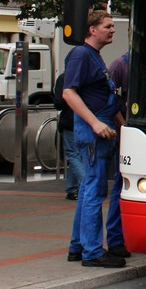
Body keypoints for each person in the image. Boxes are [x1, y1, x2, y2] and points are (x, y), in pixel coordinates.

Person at [63, 10, 130, 268]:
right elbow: (69, 93)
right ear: (92, 29)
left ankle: (78, 247)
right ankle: (92, 252)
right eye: (108, 26)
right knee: (94, 190)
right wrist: (95, 123)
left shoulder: (94, 56)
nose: (112, 30)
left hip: (100, 128)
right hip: (93, 132)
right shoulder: (82, 55)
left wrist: (123, 129)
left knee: (89, 189)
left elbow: (107, 98)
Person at [53, 72, 84, 201]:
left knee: (73, 154)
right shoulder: (86, 76)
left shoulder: (64, 78)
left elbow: (59, 103)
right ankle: (72, 188)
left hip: (69, 121)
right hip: (86, 120)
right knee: (79, 155)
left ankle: (86, 183)